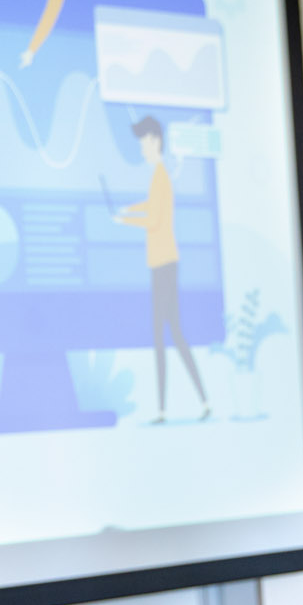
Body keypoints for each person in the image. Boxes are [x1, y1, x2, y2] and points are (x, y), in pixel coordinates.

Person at [117, 117, 209, 424]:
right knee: (171, 334)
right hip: (162, 264)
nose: (142, 147)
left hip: (164, 265)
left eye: (143, 141)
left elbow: (155, 220)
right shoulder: (158, 177)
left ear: (155, 140)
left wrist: (125, 221)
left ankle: (166, 409)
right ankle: (193, 402)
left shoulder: (161, 176)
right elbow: (151, 205)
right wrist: (131, 208)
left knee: (166, 334)